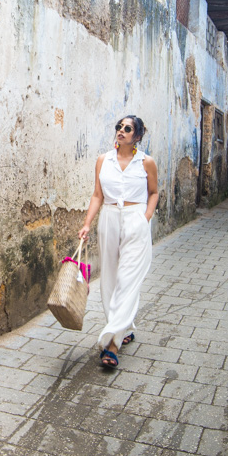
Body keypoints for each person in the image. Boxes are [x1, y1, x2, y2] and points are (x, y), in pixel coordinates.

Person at [77, 115, 159, 369]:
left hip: (136, 220)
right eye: (119, 127)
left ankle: (112, 343)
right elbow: (97, 195)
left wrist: (144, 218)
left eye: (127, 128)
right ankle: (124, 326)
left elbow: (154, 193)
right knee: (111, 278)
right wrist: (87, 223)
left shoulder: (146, 163)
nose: (120, 131)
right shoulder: (104, 160)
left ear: (137, 136)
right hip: (109, 220)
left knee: (128, 279)